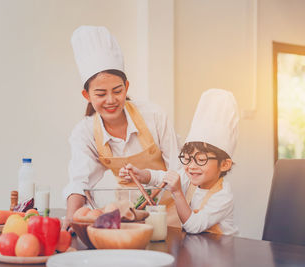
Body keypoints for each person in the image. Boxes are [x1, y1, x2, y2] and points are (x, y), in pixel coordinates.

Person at [62, 25, 181, 230]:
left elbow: (178, 170)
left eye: (117, 91)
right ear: (87, 96)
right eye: (100, 94)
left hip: (169, 214)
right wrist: (72, 219)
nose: (110, 100)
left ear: (126, 87)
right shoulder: (85, 133)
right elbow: (79, 182)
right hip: (128, 218)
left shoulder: (154, 116)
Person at [120, 89, 239, 235]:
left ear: (225, 164)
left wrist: (177, 192)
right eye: (187, 159)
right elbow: (159, 177)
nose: (191, 166)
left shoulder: (222, 197)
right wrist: (140, 174)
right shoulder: (189, 178)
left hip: (220, 253)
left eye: (201, 160)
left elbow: (194, 226)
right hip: (198, 249)